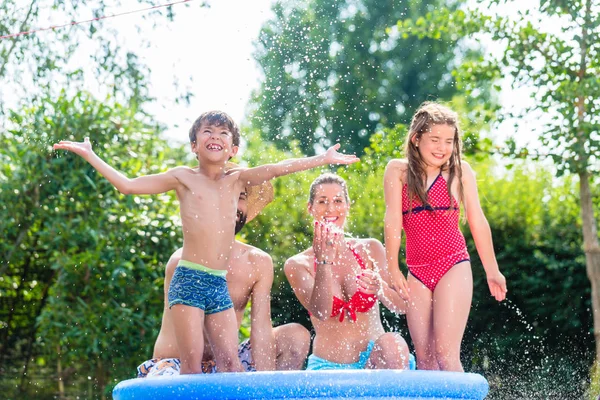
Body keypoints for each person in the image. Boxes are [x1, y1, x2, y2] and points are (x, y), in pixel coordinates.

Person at [53, 110, 358, 374]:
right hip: (189, 279)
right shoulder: (182, 178)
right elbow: (129, 186)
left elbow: (279, 168)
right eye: (207, 131)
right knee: (192, 365)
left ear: (233, 149)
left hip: (217, 284)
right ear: (194, 145)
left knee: (231, 365)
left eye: (223, 133)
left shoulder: (237, 181)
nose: (216, 136)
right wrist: (91, 155)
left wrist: (323, 158)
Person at [383, 101, 507, 372]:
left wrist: (492, 271)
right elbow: (393, 220)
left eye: (449, 141)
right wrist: (392, 268)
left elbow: (477, 221)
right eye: (435, 139)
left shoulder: (460, 172)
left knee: (445, 353)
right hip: (417, 271)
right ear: (416, 139)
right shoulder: (398, 172)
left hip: (453, 264)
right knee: (425, 359)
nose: (442, 148)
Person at [137, 183, 310, 377]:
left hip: (225, 364)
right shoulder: (183, 261)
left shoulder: (257, 261)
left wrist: (265, 385)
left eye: (241, 197)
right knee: (178, 382)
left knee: (295, 336)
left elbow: (261, 330)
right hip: (175, 367)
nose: (235, 203)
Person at [284, 173, 413, 370]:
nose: (330, 208)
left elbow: (402, 307)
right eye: (322, 201)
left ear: (347, 205)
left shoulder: (371, 249)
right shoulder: (297, 264)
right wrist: (323, 262)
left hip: (377, 365)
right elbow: (321, 311)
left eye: (338, 201)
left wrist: (380, 288)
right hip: (329, 367)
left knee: (393, 343)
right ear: (310, 208)